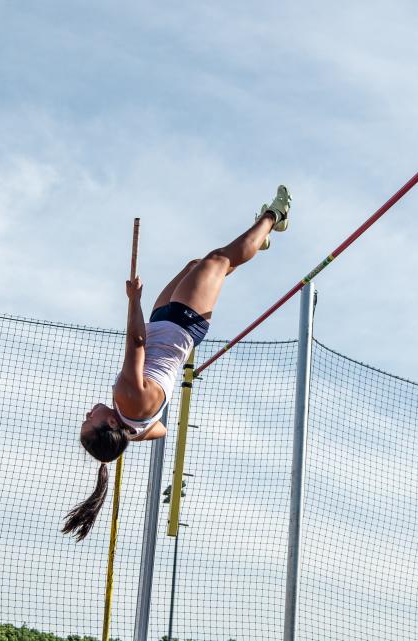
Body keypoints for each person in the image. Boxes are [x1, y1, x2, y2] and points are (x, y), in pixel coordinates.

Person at [63, 185, 291, 540]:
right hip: (182, 322)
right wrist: (132, 300)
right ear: (106, 421)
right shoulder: (125, 398)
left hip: (164, 323)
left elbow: (161, 430)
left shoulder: (136, 428)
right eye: (88, 421)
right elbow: (135, 343)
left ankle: (255, 240)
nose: (86, 414)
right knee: (219, 260)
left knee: (195, 266)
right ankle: (273, 219)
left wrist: (129, 436)